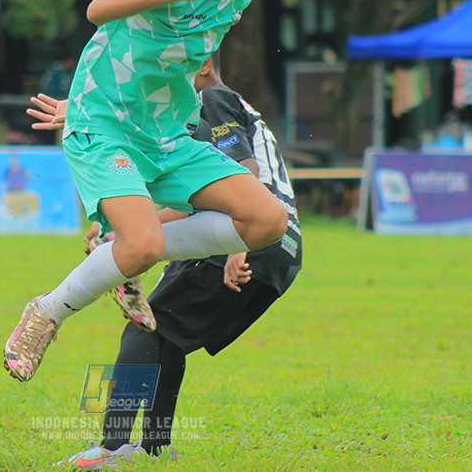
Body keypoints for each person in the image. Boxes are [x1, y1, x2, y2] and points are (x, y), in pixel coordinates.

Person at [3, 0, 308, 383]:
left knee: (268, 224)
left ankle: (115, 254)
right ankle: (46, 312)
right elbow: (100, 10)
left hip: (166, 137)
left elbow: (188, 65)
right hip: (106, 128)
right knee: (142, 244)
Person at [30, 54, 302, 468]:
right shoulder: (191, 114)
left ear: (205, 63)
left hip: (245, 238)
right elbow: (194, 194)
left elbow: (244, 172)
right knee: (165, 333)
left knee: (141, 328)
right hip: (279, 249)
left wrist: (237, 246)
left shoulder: (211, 97)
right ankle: (155, 448)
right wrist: (122, 227)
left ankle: (111, 448)